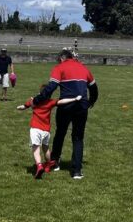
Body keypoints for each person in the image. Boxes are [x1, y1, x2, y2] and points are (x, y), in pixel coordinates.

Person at [31, 49, 98, 180]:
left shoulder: (60, 67)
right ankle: (77, 171)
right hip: (81, 107)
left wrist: (37, 100)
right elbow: (94, 88)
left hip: (66, 106)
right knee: (78, 138)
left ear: (62, 58)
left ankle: (55, 163)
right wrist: (90, 102)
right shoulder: (84, 68)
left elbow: (50, 88)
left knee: (60, 133)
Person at [17, 87, 84, 179]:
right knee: (45, 148)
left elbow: (24, 106)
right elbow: (62, 101)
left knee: (35, 148)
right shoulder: (50, 102)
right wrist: (74, 99)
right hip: (46, 130)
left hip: (36, 129)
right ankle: (49, 163)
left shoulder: (33, 101)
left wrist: (19, 107)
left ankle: (39, 165)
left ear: (39, 93)